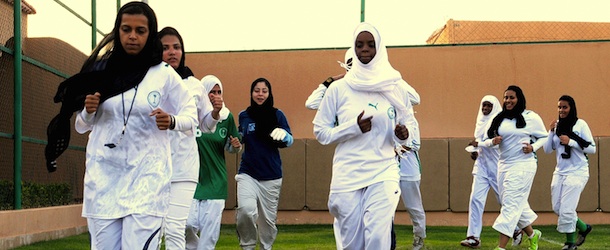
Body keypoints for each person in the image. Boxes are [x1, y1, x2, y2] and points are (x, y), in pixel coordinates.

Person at [60, 2, 198, 249]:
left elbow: (191, 115)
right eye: (126, 29)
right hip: (103, 180)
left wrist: (173, 121)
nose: (132, 36)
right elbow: (81, 126)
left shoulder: (163, 73)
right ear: (118, 30)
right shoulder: (100, 71)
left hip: (148, 180)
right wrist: (89, 112)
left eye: (140, 31)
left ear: (150, 33)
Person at [313, 22, 416, 249]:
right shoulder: (338, 89)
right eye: (359, 45)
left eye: (370, 45)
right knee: (352, 243)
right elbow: (320, 131)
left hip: (383, 170)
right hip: (348, 173)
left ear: (379, 48)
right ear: (354, 49)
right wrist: (352, 128)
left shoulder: (394, 86)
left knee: (379, 237)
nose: (365, 49)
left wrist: (403, 135)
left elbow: (406, 124)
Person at [159, 26, 221, 249]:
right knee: (156, 230)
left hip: (184, 167)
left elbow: (204, 124)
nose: (172, 52)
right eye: (165, 48)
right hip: (153, 166)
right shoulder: (149, 81)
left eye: (177, 47)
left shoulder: (194, 85)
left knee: (176, 228)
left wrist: (214, 114)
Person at [484, 85, 548, 250]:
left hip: (523, 165)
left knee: (510, 205)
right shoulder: (499, 118)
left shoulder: (530, 117)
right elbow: (486, 139)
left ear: (519, 98)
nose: (508, 101)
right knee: (512, 202)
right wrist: (493, 141)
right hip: (504, 165)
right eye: (506, 98)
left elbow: (544, 137)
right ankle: (533, 235)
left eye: (512, 97)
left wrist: (533, 147)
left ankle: (501, 247)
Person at [235, 77, 293, 250]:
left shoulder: (277, 115)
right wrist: (235, 143)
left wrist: (284, 136)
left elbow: (290, 140)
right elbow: (240, 138)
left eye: (264, 91)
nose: (260, 94)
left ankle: (265, 247)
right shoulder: (244, 115)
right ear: (251, 93)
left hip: (271, 176)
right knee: (246, 210)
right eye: (257, 90)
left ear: (269, 93)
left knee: (267, 223)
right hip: (248, 173)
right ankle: (247, 246)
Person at [185, 75, 242, 250]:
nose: (215, 95)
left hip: (216, 182)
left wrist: (235, 146)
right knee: (186, 225)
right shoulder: (191, 114)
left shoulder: (227, 117)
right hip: (191, 180)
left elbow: (232, 147)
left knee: (209, 236)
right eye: (211, 92)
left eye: (219, 92)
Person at [543, 95, 595, 250]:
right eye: (559, 107)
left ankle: (570, 243)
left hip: (577, 171)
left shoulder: (581, 124)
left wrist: (571, 142)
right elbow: (546, 150)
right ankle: (584, 228)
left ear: (571, 108)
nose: (561, 110)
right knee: (558, 208)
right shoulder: (557, 126)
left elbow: (592, 148)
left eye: (564, 107)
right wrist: (551, 132)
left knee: (567, 209)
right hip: (560, 171)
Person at [460, 95, 504, 248]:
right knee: (475, 200)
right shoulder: (480, 121)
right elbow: (480, 144)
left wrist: (478, 143)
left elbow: (497, 143)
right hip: (482, 167)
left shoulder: (500, 122)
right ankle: (473, 237)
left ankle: (519, 228)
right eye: (483, 106)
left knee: (505, 202)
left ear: (495, 107)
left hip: (497, 167)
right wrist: (476, 151)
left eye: (488, 106)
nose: (485, 109)